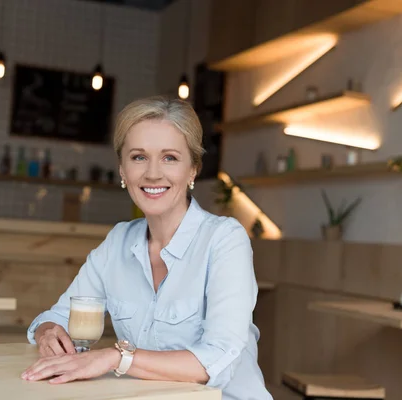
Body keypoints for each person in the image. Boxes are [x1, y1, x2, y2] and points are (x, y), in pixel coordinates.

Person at [22, 96, 273, 399]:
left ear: (192, 169)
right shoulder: (118, 242)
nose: (153, 173)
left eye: (170, 157)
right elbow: (58, 316)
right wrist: (48, 332)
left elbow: (214, 360)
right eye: (139, 157)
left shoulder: (225, 240)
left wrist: (117, 357)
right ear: (122, 171)